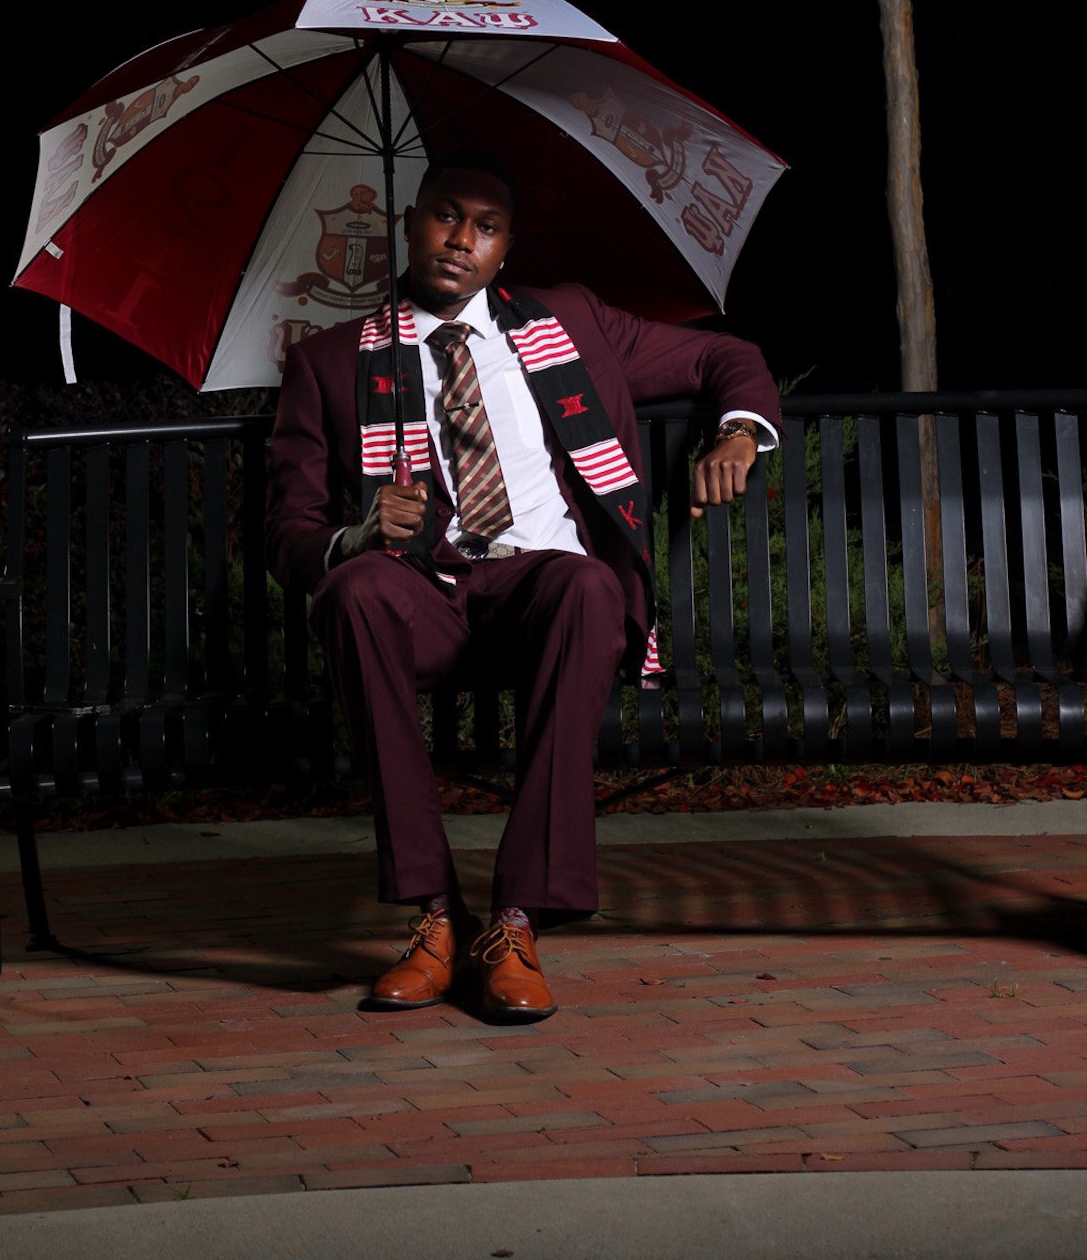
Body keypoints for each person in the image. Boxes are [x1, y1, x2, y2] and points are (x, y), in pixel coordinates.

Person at [265, 152, 781, 1024]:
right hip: (424, 594)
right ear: (411, 221)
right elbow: (288, 535)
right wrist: (358, 533)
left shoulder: (567, 322)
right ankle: (434, 916)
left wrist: (738, 435)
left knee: (587, 587)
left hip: (542, 591)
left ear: (506, 248)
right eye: (445, 216)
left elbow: (721, 358)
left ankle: (514, 920)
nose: (461, 240)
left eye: (486, 227)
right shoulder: (329, 362)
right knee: (352, 594)